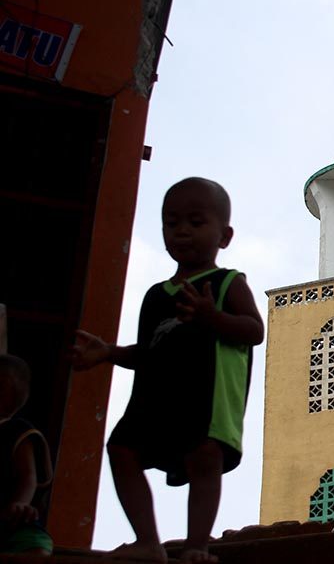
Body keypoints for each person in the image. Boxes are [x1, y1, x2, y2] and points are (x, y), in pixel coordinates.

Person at [72, 178, 264, 563]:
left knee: (204, 460)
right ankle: (148, 541)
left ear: (224, 236)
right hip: (155, 400)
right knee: (121, 450)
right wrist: (108, 353)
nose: (182, 231)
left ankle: (197, 545)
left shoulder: (227, 282)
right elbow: (148, 352)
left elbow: (255, 331)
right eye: (171, 222)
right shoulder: (156, 295)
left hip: (205, 398)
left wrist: (212, 317)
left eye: (195, 222)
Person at [0, 355, 53, 556]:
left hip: (11, 518)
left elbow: (28, 476)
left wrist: (21, 503)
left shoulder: (16, 430)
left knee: (36, 546)